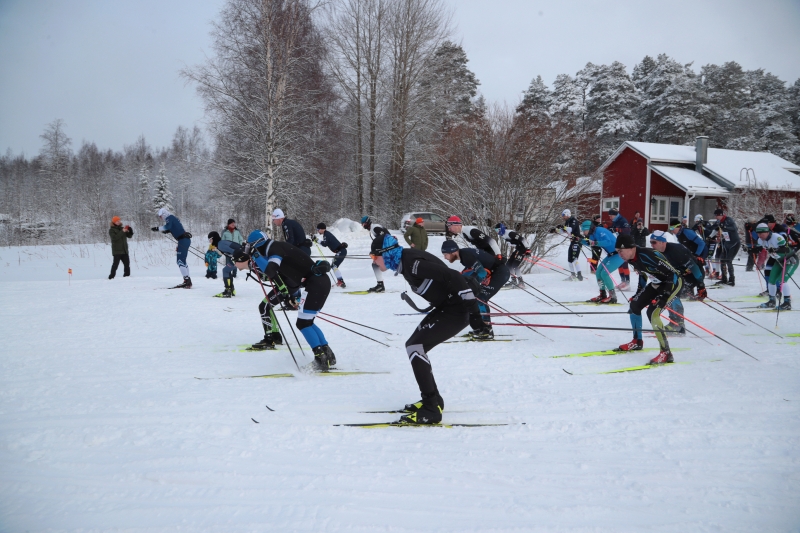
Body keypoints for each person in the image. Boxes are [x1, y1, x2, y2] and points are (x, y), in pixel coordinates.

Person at [371, 233, 483, 425]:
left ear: (386, 253)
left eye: (374, 256)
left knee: (416, 347)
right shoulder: (406, 260)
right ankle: (434, 400)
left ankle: (432, 409)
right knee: (413, 346)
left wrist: (473, 312)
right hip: (447, 308)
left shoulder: (412, 263)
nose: (373, 261)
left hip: (456, 311)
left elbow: (453, 275)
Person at [234, 230, 335, 368]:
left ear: (257, 244)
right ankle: (327, 355)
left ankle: (320, 358)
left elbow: (271, 270)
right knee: (308, 322)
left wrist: (255, 255)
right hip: (320, 282)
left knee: (303, 323)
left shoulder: (274, 249)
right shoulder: (276, 246)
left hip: (316, 284)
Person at [614, 234, 683, 365]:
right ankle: (637, 342)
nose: (619, 254)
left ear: (630, 248)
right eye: (617, 252)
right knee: (634, 306)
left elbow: (672, 274)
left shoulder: (647, 254)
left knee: (652, 312)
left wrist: (665, 295)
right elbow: (643, 275)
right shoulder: (632, 258)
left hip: (672, 283)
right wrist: (639, 293)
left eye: (620, 251)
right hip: (657, 283)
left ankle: (666, 353)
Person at [441, 239, 510, 339]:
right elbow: (470, 271)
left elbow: (482, 273)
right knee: (476, 297)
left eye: (446, 254)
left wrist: (473, 284)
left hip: (500, 273)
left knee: (480, 298)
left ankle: (486, 330)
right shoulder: (464, 255)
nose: (445, 257)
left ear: (453, 251)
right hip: (495, 271)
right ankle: (481, 328)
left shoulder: (466, 256)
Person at [648, 230, 707, 335]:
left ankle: (679, 325)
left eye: (654, 242)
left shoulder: (676, 251)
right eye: (651, 242)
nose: (652, 245)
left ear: (662, 242)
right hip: (680, 274)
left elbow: (694, 268)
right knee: (667, 292)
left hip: (693, 274)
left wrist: (701, 286)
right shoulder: (658, 252)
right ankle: (673, 322)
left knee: (673, 294)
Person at [754, 222, 797, 310]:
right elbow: (758, 249)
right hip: (778, 260)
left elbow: (785, 248)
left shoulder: (777, 237)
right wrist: (750, 249)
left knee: (782, 281)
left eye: (761, 233)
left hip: (790, 260)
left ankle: (787, 303)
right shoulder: (760, 240)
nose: (760, 235)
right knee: (771, 280)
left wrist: (775, 249)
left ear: (767, 232)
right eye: (758, 233)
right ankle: (772, 301)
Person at [152, 208, 192, 288]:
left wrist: (158, 229)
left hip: (183, 240)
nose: (161, 218)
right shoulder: (172, 217)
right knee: (182, 260)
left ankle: (187, 280)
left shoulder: (169, 218)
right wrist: (169, 231)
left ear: (164, 214)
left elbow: (168, 226)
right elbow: (175, 227)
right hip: (183, 240)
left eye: (160, 216)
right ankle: (187, 280)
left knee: (180, 261)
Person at [584, 220, 623, 304]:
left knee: (604, 273)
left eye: (584, 230)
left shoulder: (599, 231)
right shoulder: (592, 234)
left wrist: (595, 242)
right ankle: (602, 294)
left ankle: (613, 296)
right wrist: (579, 240)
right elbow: (589, 243)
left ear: (589, 228)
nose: (584, 232)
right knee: (598, 272)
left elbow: (608, 241)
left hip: (618, 254)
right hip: (611, 255)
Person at [549, 209, 583, 281]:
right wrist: (555, 230)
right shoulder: (567, 222)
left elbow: (570, 229)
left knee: (574, 258)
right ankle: (573, 275)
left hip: (577, 242)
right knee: (569, 259)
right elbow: (563, 231)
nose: (563, 217)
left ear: (567, 214)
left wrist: (562, 227)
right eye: (562, 216)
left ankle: (579, 275)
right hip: (572, 242)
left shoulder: (573, 220)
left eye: (563, 215)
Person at [495, 222, 531, 287]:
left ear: (501, 229)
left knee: (514, 265)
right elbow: (513, 243)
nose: (497, 232)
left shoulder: (509, 233)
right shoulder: (503, 235)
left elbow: (522, 240)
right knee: (508, 264)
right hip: (518, 249)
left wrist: (527, 250)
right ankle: (513, 281)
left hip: (523, 249)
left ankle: (521, 282)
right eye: (496, 231)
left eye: (498, 230)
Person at [713, 208, 741, 286]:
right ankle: (724, 279)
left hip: (734, 243)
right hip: (726, 243)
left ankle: (732, 280)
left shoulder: (729, 220)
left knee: (728, 261)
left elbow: (734, 229)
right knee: (722, 260)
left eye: (717, 216)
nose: (716, 217)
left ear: (721, 215)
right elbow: (714, 228)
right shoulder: (719, 221)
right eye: (715, 216)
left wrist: (724, 226)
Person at [315, 222, 348, 287]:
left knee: (334, 266)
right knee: (333, 266)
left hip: (341, 251)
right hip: (340, 251)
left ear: (322, 229)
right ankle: (340, 281)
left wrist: (316, 240)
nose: (317, 230)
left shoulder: (326, 234)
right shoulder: (326, 234)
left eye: (318, 229)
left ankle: (341, 282)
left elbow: (325, 244)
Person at [361, 215, 388, 293]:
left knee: (376, 264)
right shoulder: (374, 227)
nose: (363, 226)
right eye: (362, 224)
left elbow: (384, 237)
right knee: (375, 264)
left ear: (368, 222)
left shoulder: (375, 228)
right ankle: (380, 284)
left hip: (388, 249)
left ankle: (380, 285)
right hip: (386, 248)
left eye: (364, 224)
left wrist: (377, 250)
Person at [608, 209, 632, 288]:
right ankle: (623, 281)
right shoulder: (615, 221)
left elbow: (627, 231)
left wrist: (617, 230)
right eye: (609, 216)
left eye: (611, 216)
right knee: (619, 263)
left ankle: (627, 282)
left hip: (625, 244)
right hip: (618, 243)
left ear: (615, 215)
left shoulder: (622, 220)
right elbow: (613, 229)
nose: (610, 217)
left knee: (624, 263)